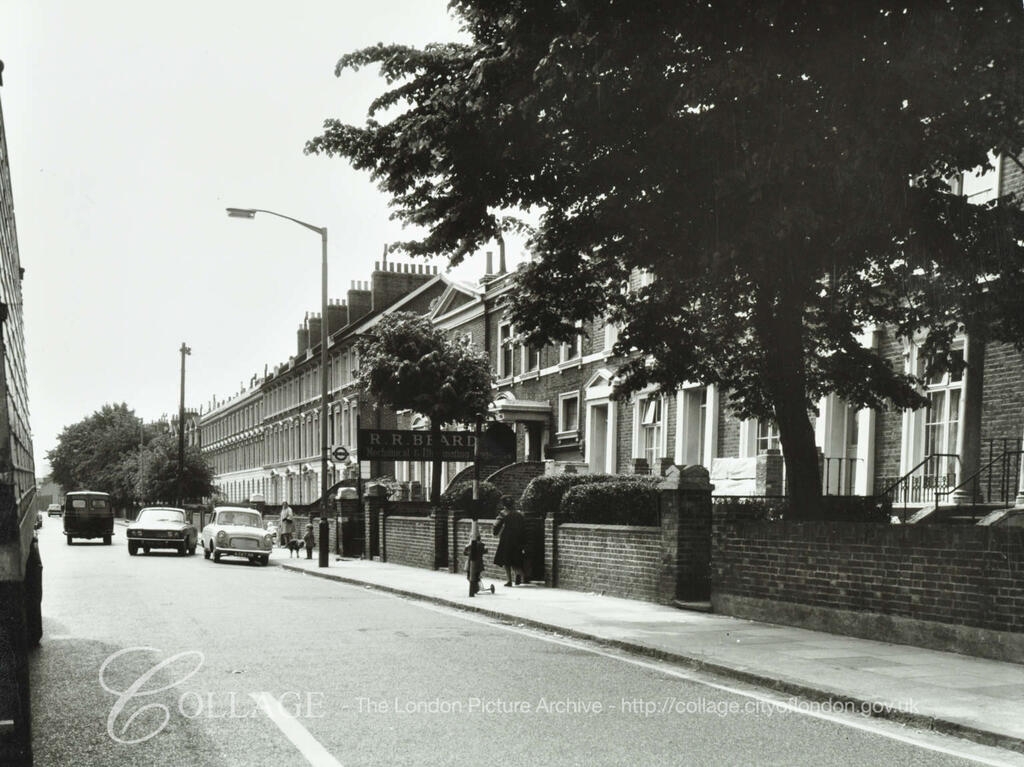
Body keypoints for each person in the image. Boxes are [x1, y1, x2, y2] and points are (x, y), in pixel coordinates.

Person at [492, 495, 526, 586]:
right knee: (515, 558)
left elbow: (496, 525)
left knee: (506, 560)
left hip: (507, 539)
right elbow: (523, 527)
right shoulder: (519, 514)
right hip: (518, 539)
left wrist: (495, 531)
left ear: (504, 504)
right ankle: (518, 574)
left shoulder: (503, 513)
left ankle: (509, 580)